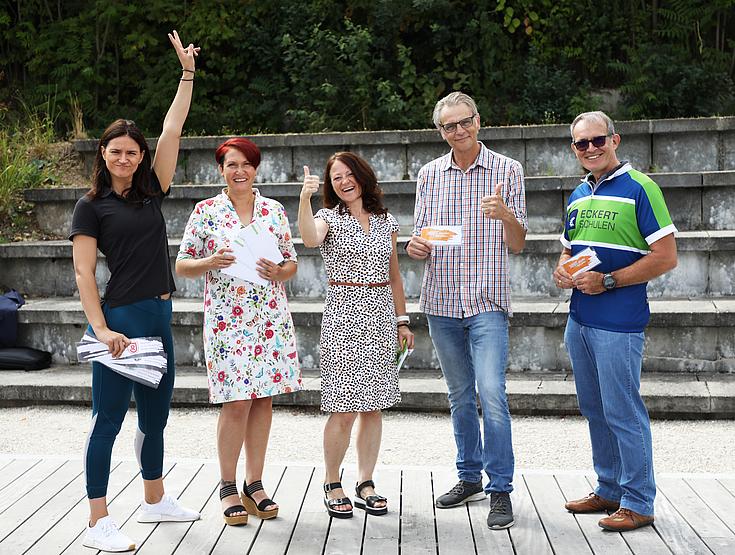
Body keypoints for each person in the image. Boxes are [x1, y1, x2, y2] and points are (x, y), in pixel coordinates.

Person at [70, 31, 200, 552]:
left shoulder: (151, 191)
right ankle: (97, 518)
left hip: (159, 318)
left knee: (156, 416)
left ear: (141, 156)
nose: (125, 158)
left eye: (133, 152)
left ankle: (154, 500)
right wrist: (101, 329)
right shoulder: (90, 207)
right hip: (121, 320)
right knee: (107, 420)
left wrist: (186, 74)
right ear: (102, 154)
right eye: (116, 151)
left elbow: (173, 126)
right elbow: (83, 275)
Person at [406, 92, 527, 530]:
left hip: (487, 301)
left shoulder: (507, 170)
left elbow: (517, 242)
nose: (459, 131)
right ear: (440, 131)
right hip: (441, 302)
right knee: (459, 396)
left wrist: (506, 215)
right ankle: (469, 476)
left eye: (465, 122)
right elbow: (420, 239)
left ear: (479, 119)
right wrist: (415, 246)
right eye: (449, 126)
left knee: (492, 395)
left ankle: (501, 490)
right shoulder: (429, 174)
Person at [554, 111, 677, 531]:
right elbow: (569, 251)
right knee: (595, 409)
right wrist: (563, 270)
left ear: (615, 139)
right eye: (581, 143)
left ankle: (639, 501)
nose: (590, 148)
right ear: (574, 148)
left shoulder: (642, 187)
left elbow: (666, 257)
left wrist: (607, 281)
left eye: (597, 140)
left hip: (619, 321)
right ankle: (609, 489)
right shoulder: (577, 194)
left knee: (623, 411)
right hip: (580, 319)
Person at [175, 137, 301, 526]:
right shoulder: (206, 211)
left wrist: (281, 271)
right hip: (227, 321)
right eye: (232, 164)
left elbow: (292, 261)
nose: (240, 171)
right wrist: (210, 260)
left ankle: (255, 483)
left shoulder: (273, 210)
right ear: (221, 170)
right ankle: (227, 484)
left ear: (256, 169)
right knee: (236, 402)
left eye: (246, 164)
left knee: (263, 400)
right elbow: (182, 265)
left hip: (269, 318)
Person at [298, 152, 414, 519]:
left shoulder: (386, 220)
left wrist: (402, 320)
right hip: (344, 316)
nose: (344, 181)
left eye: (349, 174)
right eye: (336, 178)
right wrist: (305, 198)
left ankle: (366, 481)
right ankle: (332, 481)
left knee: (373, 407)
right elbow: (309, 239)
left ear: (363, 176)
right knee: (343, 408)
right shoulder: (327, 218)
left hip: (381, 314)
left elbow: (395, 275)